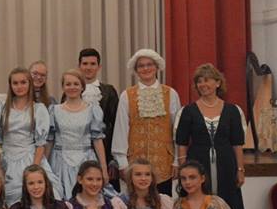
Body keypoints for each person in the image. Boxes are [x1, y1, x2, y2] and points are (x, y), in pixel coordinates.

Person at [175, 64, 252, 209]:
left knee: (229, 206)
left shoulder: (232, 110)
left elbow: (237, 144)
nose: (203, 84)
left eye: (207, 80)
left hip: (226, 165)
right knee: (199, 206)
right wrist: (183, 170)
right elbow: (181, 143)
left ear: (218, 83)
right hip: (198, 164)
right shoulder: (188, 111)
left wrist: (240, 169)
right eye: (199, 81)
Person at [0, 68, 62, 205]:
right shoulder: (1, 109)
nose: (19, 86)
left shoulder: (38, 109)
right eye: (15, 83)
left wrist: (34, 168)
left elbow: (41, 143)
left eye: (23, 82)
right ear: (10, 85)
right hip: (6, 160)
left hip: (31, 157)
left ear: (30, 84)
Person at [113, 49, 181, 194]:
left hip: (164, 163)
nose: (146, 68)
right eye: (141, 66)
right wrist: (122, 163)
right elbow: (121, 130)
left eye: (149, 64)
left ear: (156, 67)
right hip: (135, 163)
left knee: (163, 203)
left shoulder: (171, 94)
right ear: (136, 70)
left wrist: (177, 160)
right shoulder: (127, 95)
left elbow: (177, 130)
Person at [47, 69, 109, 198]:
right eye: (68, 84)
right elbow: (50, 140)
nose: (72, 87)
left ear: (82, 86)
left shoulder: (92, 110)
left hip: (86, 160)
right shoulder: (54, 110)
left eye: (76, 84)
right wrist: (44, 166)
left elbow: (97, 140)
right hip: (60, 163)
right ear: (63, 87)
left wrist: (103, 169)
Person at [77, 48, 120, 182]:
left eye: (92, 64)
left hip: (105, 151)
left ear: (99, 67)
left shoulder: (109, 91)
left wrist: (113, 158)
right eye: (85, 64)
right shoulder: (71, 90)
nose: (88, 67)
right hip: (77, 151)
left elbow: (116, 125)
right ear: (79, 66)